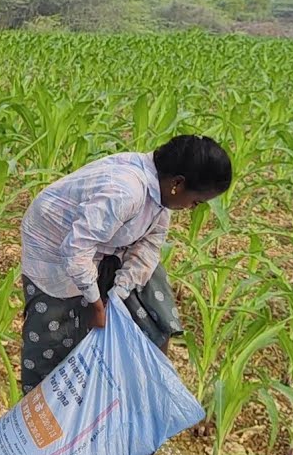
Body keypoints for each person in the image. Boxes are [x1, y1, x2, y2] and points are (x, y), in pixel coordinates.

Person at [19, 135, 233, 394]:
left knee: (151, 300)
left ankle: (143, 388)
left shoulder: (160, 194)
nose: (191, 208)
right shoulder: (126, 191)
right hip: (53, 248)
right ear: (177, 183)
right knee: (55, 335)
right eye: (195, 202)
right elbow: (76, 249)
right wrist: (96, 304)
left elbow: (149, 247)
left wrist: (117, 295)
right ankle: (46, 404)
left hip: (102, 247)